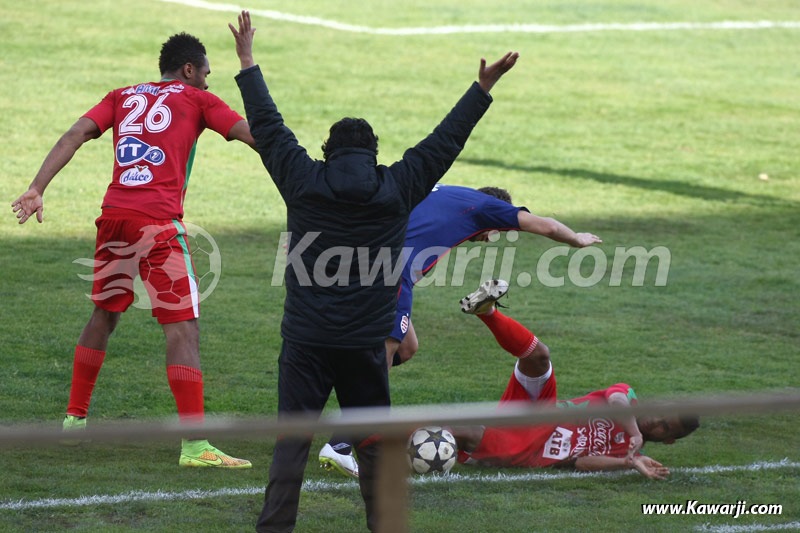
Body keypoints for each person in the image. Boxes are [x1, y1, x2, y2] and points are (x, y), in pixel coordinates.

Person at [228, 10, 518, 532]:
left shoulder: (301, 178)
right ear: (374, 153)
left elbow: (268, 127)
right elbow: (443, 142)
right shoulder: (398, 187)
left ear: (328, 152)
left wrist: (248, 62)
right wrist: (481, 88)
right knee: (376, 452)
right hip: (365, 345)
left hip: (306, 342)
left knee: (290, 447)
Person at [11, 31, 256, 468]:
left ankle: (73, 423)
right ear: (188, 69)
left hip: (114, 220)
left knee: (104, 315)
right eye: (206, 74)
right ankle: (196, 446)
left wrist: (36, 188)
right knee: (183, 329)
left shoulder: (122, 95)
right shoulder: (197, 100)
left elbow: (75, 133)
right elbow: (253, 136)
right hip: (158, 226)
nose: (207, 83)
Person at [319, 184, 602, 477]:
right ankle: (340, 445)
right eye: (498, 231)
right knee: (380, 364)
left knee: (406, 348)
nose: (490, 239)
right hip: (390, 273)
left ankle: (327, 401)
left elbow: (368, 204)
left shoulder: (438, 191)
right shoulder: (487, 206)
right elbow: (546, 226)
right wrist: (576, 240)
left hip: (360, 261)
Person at [450, 279, 699, 478]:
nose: (655, 420)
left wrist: (629, 461)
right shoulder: (628, 398)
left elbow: (582, 463)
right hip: (543, 410)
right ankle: (487, 311)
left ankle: (416, 442)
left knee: (466, 431)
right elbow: (616, 401)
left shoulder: (629, 453)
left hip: (533, 448)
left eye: (664, 427)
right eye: (662, 414)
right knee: (539, 356)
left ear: (668, 440)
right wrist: (634, 432)